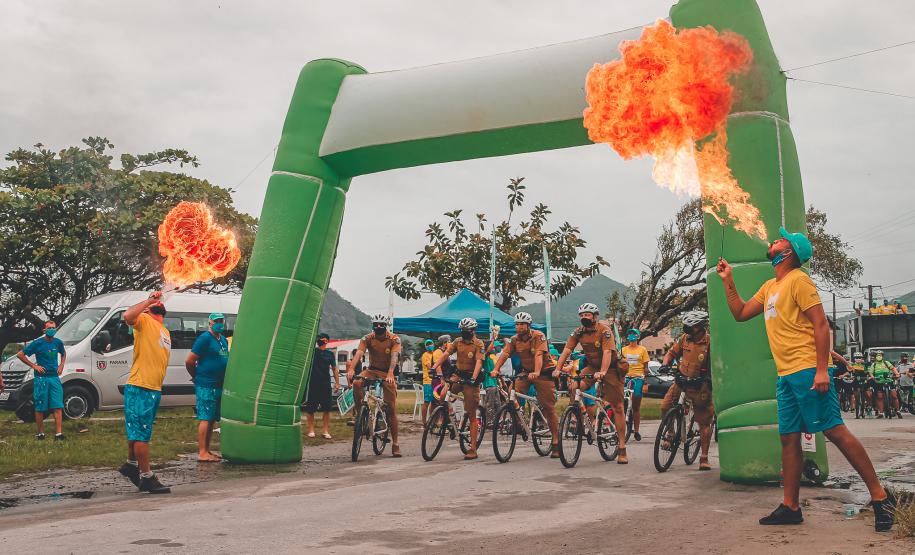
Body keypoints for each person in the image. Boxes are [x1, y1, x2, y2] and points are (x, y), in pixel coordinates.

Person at [716, 227, 894, 530]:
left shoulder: (800, 280)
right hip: (786, 376)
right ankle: (791, 506)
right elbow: (741, 313)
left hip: (808, 371)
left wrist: (823, 369)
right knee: (788, 439)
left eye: (780, 240)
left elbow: (821, 325)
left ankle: (880, 497)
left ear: (789, 253)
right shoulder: (771, 286)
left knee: (835, 431)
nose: (774, 240)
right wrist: (728, 280)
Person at [554, 303, 629, 462]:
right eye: (581, 315)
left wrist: (602, 372)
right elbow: (567, 350)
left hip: (611, 369)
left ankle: (622, 448)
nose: (583, 318)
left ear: (595, 316)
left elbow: (608, 352)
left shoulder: (605, 331)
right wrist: (558, 369)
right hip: (592, 367)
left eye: (587, 315)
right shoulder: (578, 332)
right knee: (574, 385)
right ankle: (576, 415)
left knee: (618, 406)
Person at [117, 292, 172, 494]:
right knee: (141, 435)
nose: (159, 302)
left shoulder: (165, 330)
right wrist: (148, 300)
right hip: (140, 386)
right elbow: (127, 316)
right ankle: (147, 477)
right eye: (153, 303)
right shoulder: (143, 321)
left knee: (138, 431)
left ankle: (131, 465)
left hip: (153, 388)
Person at [489, 312, 561, 458]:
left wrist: (537, 371)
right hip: (526, 373)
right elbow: (504, 354)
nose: (519, 326)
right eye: (517, 324)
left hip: (544, 373)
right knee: (511, 394)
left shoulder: (538, 336)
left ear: (528, 325)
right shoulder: (514, 339)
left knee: (549, 407)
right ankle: (519, 423)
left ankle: (556, 441)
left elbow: (539, 355)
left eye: (522, 324)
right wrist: (495, 369)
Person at [660, 310, 715, 470]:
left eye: (689, 326)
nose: (686, 328)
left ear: (699, 326)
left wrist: (708, 379)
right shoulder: (685, 338)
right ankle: (670, 433)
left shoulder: (710, 342)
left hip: (700, 386)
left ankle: (703, 458)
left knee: (704, 422)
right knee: (665, 406)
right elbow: (671, 353)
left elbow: (714, 365)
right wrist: (665, 364)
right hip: (681, 381)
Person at [347, 314, 402, 457]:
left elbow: (395, 356)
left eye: (381, 325)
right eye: (376, 324)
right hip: (371, 370)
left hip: (386, 373)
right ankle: (360, 415)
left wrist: (390, 373)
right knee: (357, 382)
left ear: (386, 326)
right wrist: (352, 368)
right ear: (373, 325)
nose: (378, 327)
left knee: (391, 409)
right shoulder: (367, 338)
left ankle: (395, 444)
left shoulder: (394, 339)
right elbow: (359, 353)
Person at [431, 317, 485, 460]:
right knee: (443, 395)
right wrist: (434, 366)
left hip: (471, 378)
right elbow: (446, 354)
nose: (464, 332)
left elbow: (479, 362)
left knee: (471, 414)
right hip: (458, 374)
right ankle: (447, 416)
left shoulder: (479, 344)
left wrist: (473, 378)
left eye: (467, 330)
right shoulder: (457, 341)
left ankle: (473, 448)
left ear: (473, 330)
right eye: (462, 330)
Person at [184, 312, 230, 462]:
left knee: (212, 419)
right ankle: (202, 452)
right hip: (206, 384)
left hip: (219, 384)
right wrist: (197, 376)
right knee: (205, 416)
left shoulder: (222, 339)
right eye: (216, 321)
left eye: (221, 321)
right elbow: (190, 360)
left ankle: (208, 451)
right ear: (209, 322)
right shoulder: (204, 339)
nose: (219, 323)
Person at [17, 321, 66, 440]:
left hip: (54, 378)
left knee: (58, 405)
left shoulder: (58, 342)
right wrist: (34, 366)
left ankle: (58, 434)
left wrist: (61, 366)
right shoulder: (37, 343)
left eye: (54, 328)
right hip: (41, 379)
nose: (52, 330)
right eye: (49, 328)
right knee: (40, 407)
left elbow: (63, 353)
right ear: (44, 330)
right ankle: (41, 433)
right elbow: (20, 354)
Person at [303, 333, 340, 438]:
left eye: (321, 339)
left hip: (325, 383)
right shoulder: (312, 352)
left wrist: (337, 383)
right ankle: (311, 430)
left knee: (327, 409)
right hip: (312, 383)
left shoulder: (330, 354)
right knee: (310, 409)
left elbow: (334, 368)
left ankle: (325, 431)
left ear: (327, 341)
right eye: (318, 338)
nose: (319, 340)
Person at [622, 328, 650, 441]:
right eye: (630, 334)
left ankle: (636, 430)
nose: (632, 336)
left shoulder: (642, 349)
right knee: (622, 403)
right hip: (626, 378)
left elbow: (646, 367)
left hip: (638, 378)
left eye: (634, 334)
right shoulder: (623, 350)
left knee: (636, 405)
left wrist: (645, 381)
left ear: (638, 337)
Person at [870, 351, 900, 418]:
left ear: (882, 356)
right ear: (875, 357)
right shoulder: (874, 364)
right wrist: (872, 376)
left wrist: (897, 373)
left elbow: (893, 368)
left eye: (880, 355)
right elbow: (871, 373)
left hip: (889, 380)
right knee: (880, 397)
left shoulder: (886, 363)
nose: (879, 356)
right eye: (877, 355)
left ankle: (898, 411)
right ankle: (881, 413)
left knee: (894, 396)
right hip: (879, 382)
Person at [419, 338, 442, 425]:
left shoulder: (435, 354)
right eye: (428, 344)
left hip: (436, 381)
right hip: (428, 381)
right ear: (425, 346)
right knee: (427, 402)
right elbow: (430, 367)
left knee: (434, 402)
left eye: (431, 344)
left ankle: (433, 421)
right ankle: (424, 422)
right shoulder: (425, 355)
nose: (430, 346)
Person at [850, 352, 873, 419]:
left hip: (864, 380)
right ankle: (857, 412)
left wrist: (870, 377)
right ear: (854, 358)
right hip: (855, 381)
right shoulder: (852, 365)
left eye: (859, 358)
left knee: (864, 395)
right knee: (856, 396)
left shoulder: (865, 365)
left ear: (862, 358)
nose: (858, 359)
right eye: (856, 358)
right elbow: (849, 373)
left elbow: (868, 373)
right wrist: (849, 376)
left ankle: (864, 410)